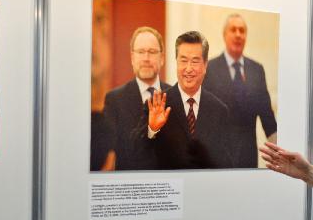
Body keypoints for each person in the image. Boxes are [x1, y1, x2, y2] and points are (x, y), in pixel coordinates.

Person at [136, 31, 233, 170]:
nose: (188, 69)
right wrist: (152, 129)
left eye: (194, 61)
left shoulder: (219, 111)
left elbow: (226, 164)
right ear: (176, 62)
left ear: (205, 65)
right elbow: (136, 153)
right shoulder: (156, 104)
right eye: (183, 60)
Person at [203, 13, 277, 168]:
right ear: (224, 35)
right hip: (217, 156)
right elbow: (203, 114)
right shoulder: (209, 68)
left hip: (247, 155)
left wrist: (277, 154)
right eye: (233, 30)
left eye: (242, 31)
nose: (238, 34)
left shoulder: (257, 70)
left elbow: (267, 116)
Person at [101, 26, 171, 170]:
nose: (146, 58)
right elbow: (114, 151)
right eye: (140, 52)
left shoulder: (174, 96)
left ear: (162, 58)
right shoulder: (114, 100)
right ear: (132, 58)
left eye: (152, 52)